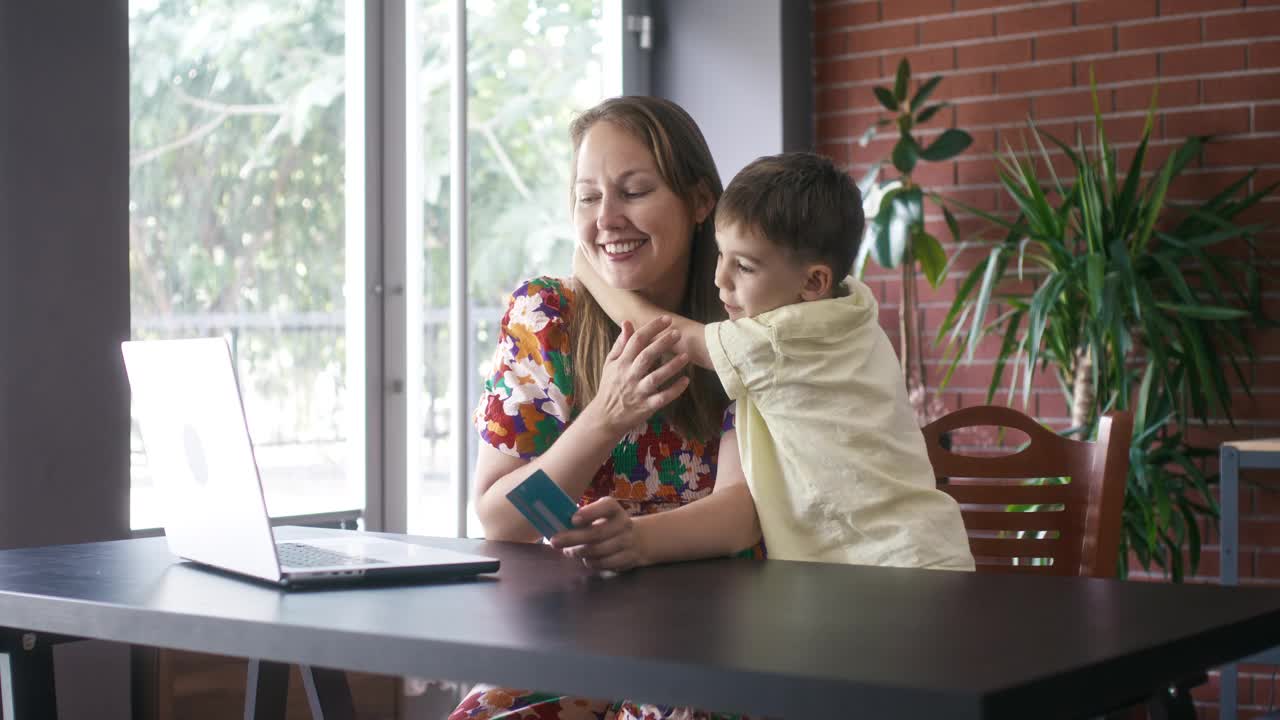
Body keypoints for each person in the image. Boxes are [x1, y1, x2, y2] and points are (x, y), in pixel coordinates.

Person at [450, 96, 763, 720]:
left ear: (701, 202)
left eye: (634, 191)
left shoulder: (743, 326)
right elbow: (500, 519)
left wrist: (636, 541)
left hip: (711, 637)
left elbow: (741, 512)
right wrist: (604, 418)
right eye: (588, 197)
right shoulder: (545, 318)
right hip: (567, 635)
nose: (607, 218)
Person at [574, 151, 974, 571]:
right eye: (720, 255)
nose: (719, 279)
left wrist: (589, 268)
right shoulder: (851, 306)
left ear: (813, 282)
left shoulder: (779, 339)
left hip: (885, 566)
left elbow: (665, 333)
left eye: (743, 266)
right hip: (922, 551)